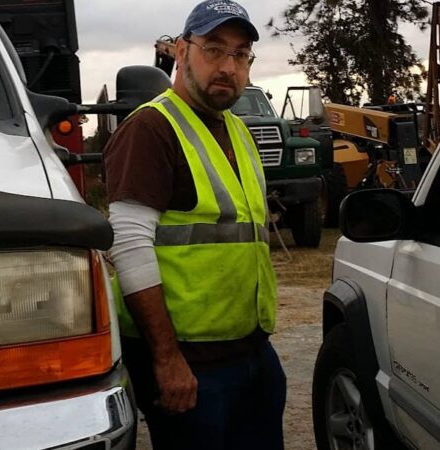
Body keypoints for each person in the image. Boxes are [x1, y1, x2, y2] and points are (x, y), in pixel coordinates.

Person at [104, 1, 286, 449]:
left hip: (250, 351)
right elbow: (129, 245)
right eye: (214, 49)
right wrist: (166, 360)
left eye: (241, 55)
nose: (228, 67)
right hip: (190, 363)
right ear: (182, 52)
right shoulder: (150, 129)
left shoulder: (238, 131)